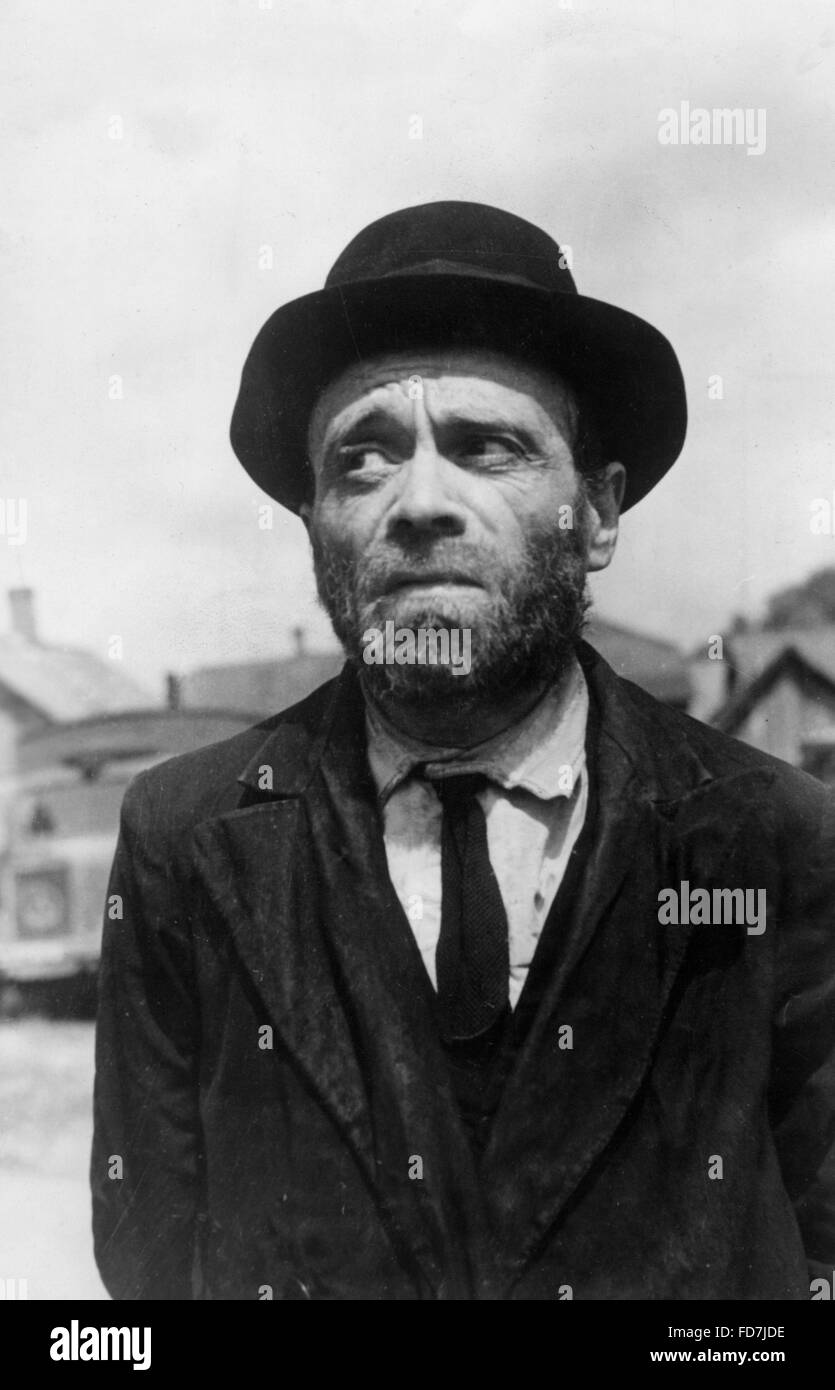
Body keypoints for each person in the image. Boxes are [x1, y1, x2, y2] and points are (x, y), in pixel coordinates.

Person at [91, 200, 835, 1300]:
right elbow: (152, 1256)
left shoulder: (771, 836)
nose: (420, 504)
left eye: (486, 447)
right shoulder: (185, 838)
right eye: (363, 460)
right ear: (315, 526)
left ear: (596, 513)